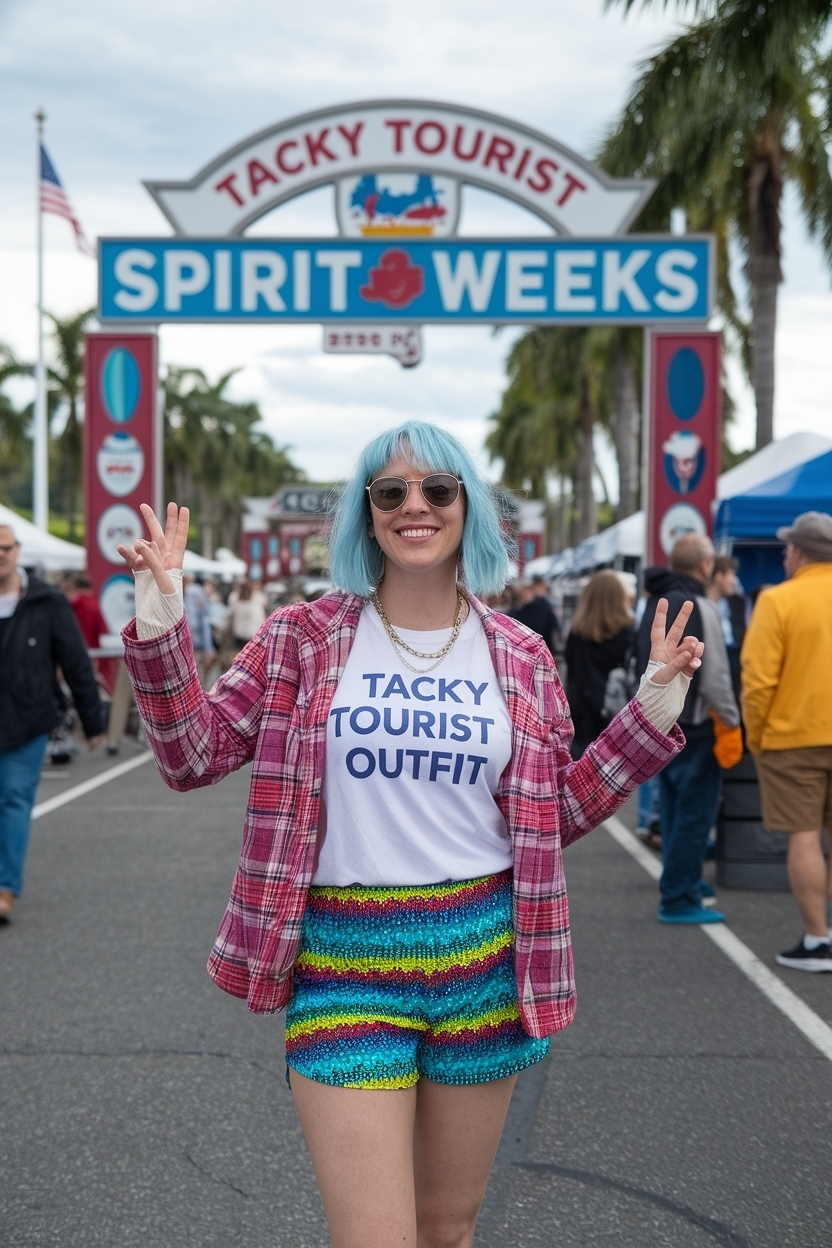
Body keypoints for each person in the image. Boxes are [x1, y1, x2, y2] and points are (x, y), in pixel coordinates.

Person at [117, 421, 702, 1248]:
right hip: (345, 968)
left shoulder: (522, 655)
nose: (414, 506)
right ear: (368, 514)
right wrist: (163, 620)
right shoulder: (303, 638)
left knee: (446, 1231)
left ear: (469, 508)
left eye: (437, 490)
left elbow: (551, 815)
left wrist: (646, 721)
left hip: (485, 964)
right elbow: (191, 754)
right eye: (390, 492)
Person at [741, 512, 832, 971]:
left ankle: (818, 939)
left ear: (798, 551)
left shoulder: (779, 600)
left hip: (793, 736)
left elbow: (758, 681)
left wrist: (756, 736)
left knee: (804, 836)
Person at [0, 524, 104, 924]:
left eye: (5, 548)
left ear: (17, 550)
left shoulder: (46, 601)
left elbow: (75, 659)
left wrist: (93, 721)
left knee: (13, 800)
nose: (1, 555)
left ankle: (5, 888)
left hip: (28, 720)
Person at [637, 532, 740, 925]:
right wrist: (731, 720)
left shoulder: (656, 600)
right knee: (695, 814)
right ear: (705, 566)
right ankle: (680, 894)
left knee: (676, 810)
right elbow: (715, 675)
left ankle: (685, 881)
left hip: (658, 722)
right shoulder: (701, 604)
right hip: (694, 724)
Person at [564, 571, 636, 760]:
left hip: (580, 719)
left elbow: (570, 674)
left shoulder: (576, 635)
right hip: (615, 720)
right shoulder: (628, 635)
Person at [706, 555, 746, 699]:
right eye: (731, 574)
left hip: (734, 676)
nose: (734, 581)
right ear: (718, 576)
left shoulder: (737, 604)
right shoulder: (700, 607)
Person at [510, 574, 561, 655]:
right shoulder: (516, 609)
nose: (523, 594)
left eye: (525, 590)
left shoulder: (543, 604)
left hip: (542, 648)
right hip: (526, 649)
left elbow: (554, 623)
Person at [183, 573, 216, 684]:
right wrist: (209, 649)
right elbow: (204, 621)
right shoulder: (197, 593)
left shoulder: (189, 593)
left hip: (187, 647)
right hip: (195, 647)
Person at [229, 578, 267, 651]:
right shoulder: (258, 599)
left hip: (239, 634)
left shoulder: (235, 600)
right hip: (253, 635)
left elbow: (230, 614)